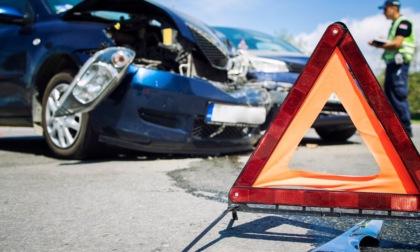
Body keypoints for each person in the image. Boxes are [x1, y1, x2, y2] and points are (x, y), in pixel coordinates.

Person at [369, 0, 416, 137]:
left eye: (385, 9)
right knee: (390, 94)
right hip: (393, 64)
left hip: (399, 64)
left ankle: (405, 130)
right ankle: (396, 129)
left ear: (394, 8)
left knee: (398, 94)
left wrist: (379, 45)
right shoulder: (394, 25)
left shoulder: (403, 23)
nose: (383, 12)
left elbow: (397, 43)